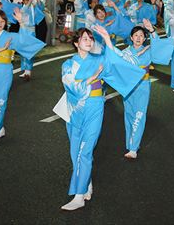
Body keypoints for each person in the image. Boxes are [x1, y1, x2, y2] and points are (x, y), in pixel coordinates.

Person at [58, 25, 145, 211]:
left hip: (95, 107)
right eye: (84, 38)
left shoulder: (99, 60)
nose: (89, 41)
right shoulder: (68, 64)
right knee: (76, 151)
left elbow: (120, 62)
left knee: (86, 149)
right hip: (74, 109)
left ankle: (79, 195)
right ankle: (85, 181)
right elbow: (70, 86)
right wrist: (90, 80)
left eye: (90, 38)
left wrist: (106, 38)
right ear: (76, 43)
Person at [0, 9, 45, 146]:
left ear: (6, 22)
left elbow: (25, 41)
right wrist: (0, 49)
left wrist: (21, 23)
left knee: (0, 101)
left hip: (5, 71)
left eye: (2, 21)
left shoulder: (10, 36)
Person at [118, 19, 173, 159]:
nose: (138, 38)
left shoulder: (149, 50)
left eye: (141, 35)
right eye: (136, 35)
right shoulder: (125, 53)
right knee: (129, 114)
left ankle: (133, 148)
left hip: (142, 86)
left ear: (144, 38)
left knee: (139, 115)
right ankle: (131, 142)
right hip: (128, 87)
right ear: (131, 38)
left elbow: (159, 49)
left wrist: (152, 31)